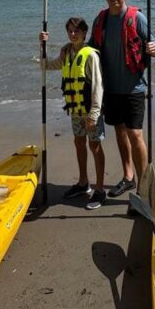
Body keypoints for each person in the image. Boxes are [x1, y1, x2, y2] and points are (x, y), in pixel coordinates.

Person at [88, 0, 155, 197]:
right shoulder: (101, 19)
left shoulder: (137, 18)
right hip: (110, 89)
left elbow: (154, 43)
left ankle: (143, 187)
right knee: (119, 131)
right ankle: (128, 177)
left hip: (134, 88)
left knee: (135, 134)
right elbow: (91, 47)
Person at [39, 17, 107, 210]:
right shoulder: (66, 52)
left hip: (91, 111)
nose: (73, 34)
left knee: (95, 146)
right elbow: (46, 66)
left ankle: (100, 190)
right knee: (79, 143)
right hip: (76, 111)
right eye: (70, 30)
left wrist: (94, 114)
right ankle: (83, 183)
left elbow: (98, 87)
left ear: (85, 33)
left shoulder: (91, 55)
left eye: (77, 31)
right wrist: (42, 45)